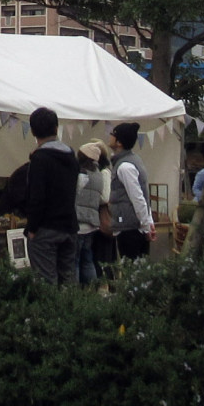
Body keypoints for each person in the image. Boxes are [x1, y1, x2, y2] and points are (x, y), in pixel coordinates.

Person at [20, 106, 79, 284]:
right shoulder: (71, 156)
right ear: (56, 128)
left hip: (45, 228)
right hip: (69, 226)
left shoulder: (40, 159)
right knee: (68, 282)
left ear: (33, 131)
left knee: (46, 283)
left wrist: (32, 228)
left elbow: (37, 197)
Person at [108, 121, 155, 261]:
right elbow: (144, 195)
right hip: (135, 226)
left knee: (131, 267)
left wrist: (146, 225)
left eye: (112, 134)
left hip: (130, 228)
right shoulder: (134, 160)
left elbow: (138, 197)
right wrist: (148, 221)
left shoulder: (125, 166)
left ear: (119, 142)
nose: (110, 136)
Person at [74, 142, 109, 284]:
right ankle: (91, 290)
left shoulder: (80, 174)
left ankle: (75, 293)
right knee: (88, 259)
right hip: (92, 223)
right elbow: (102, 198)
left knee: (75, 262)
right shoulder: (99, 174)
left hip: (77, 222)